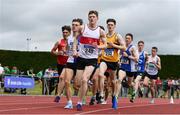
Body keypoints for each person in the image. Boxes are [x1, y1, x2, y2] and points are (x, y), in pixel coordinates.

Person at [73, 10, 107, 111]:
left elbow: (105, 45)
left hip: (92, 59)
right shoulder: (83, 28)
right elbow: (75, 39)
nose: (92, 18)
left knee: (84, 79)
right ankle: (83, 92)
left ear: (97, 18)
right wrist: (75, 50)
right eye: (90, 17)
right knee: (77, 84)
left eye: (94, 17)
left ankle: (79, 102)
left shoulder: (100, 31)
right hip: (81, 58)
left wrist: (99, 46)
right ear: (88, 18)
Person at [98, 18, 126, 109]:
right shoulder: (104, 36)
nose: (110, 26)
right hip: (104, 59)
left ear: (114, 26)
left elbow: (124, 48)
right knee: (100, 74)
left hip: (113, 62)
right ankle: (101, 93)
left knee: (113, 82)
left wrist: (113, 45)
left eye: (111, 25)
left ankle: (114, 97)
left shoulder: (117, 36)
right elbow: (102, 46)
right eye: (108, 25)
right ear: (107, 26)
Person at [64, 18, 83, 109]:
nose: (74, 26)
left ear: (80, 26)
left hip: (80, 62)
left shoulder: (83, 37)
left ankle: (81, 98)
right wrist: (65, 51)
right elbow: (67, 49)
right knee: (66, 81)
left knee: (77, 85)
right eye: (73, 25)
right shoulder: (69, 38)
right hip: (70, 61)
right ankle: (69, 102)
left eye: (76, 25)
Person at [118, 33, 138, 103]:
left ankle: (134, 91)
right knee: (119, 79)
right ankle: (116, 97)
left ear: (131, 40)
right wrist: (118, 60)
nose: (127, 39)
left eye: (128, 38)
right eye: (126, 38)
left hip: (130, 69)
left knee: (129, 84)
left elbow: (136, 59)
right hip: (123, 67)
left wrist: (128, 56)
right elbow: (119, 55)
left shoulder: (133, 48)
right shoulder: (122, 46)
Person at [52, 25, 71, 98]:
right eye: (63, 32)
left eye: (66, 32)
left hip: (69, 64)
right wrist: (58, 53)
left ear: (70, 33)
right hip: (60, 64)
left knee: (65, 79)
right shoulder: (59, 42)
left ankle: (59, 94)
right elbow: (52, 51)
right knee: (61, 79)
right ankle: (62, 93)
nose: (65, 34)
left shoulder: (72, 41)